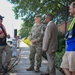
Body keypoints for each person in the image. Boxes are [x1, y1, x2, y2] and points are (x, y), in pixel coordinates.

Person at [60, 2, 75, 75]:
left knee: (73, 71)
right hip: (69, 48)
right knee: (63, 66)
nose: (69, 10)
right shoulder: (73, 20)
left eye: (70, 8)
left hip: (73, 49)